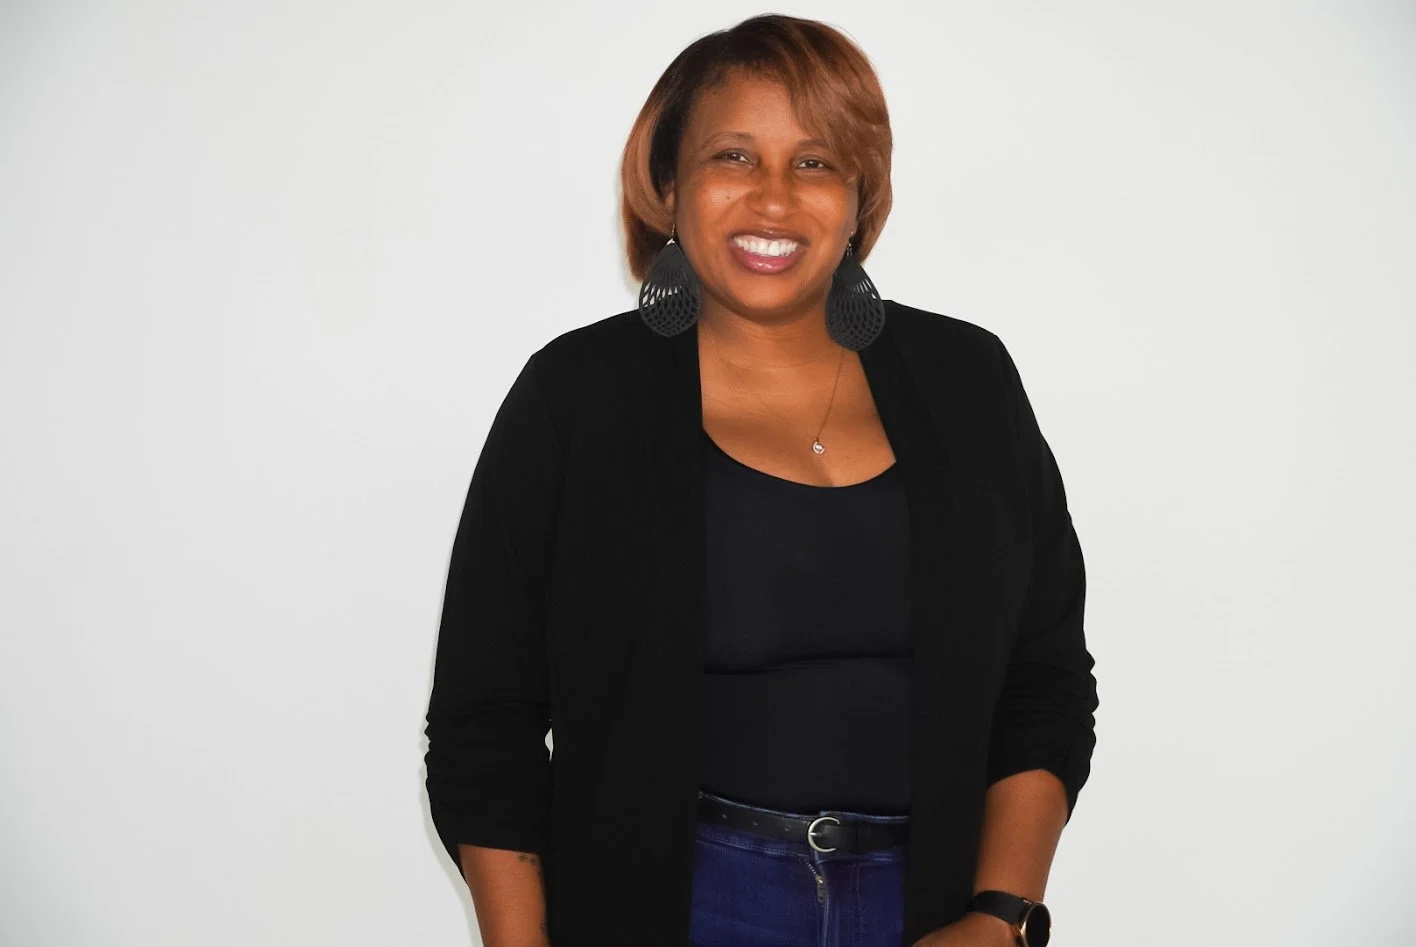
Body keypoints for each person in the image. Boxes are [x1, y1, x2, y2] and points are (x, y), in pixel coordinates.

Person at [423, 14, 1098, 947]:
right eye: (733, 156)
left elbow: (1045, 682)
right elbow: (484, 724)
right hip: (679, 909)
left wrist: (1001, 917)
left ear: (860, 197)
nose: (774, 197)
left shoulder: (968, 381)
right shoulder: (576, 399)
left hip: (932, 910)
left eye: (815, 162)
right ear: (668, 184)